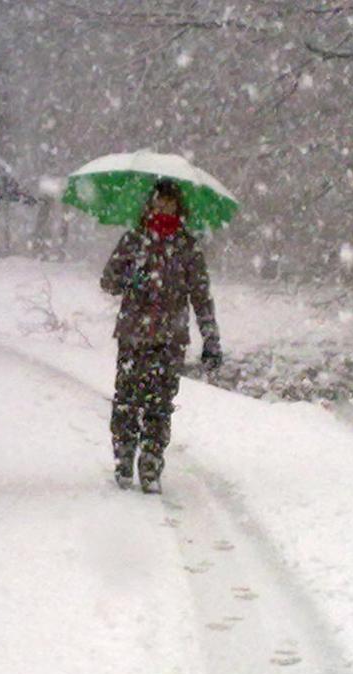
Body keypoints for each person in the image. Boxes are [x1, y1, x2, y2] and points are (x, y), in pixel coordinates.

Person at [100, 179, 223, 494]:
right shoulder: (134, 240)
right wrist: (133, 276)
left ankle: (151, 464)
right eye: (159, 203)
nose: (163, 208)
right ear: (149, 205)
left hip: (170, 339)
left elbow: (201, 297)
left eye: (170, 203)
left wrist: (211, 339)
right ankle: (124, 458)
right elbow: (109, 281)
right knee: (127, 401)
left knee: (160, 404)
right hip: (134, 335)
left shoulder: (187, 247)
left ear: (178, 208)